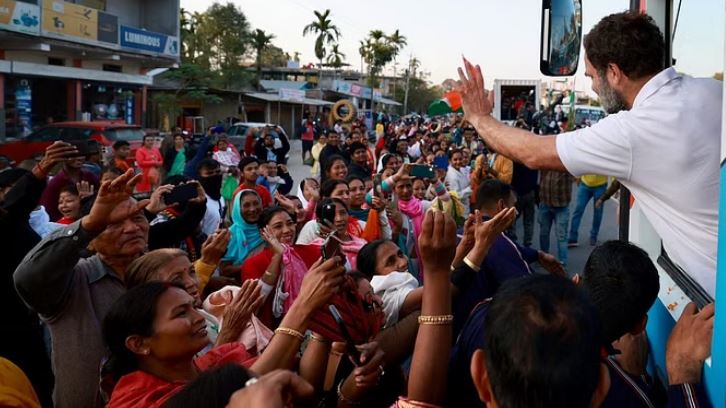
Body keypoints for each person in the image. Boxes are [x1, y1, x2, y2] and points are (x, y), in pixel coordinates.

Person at [456, 12, 721, 295]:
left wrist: (479, 118)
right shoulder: (714, 90)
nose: (593, 87)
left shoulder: (631, 130)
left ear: (614, 73)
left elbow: (532, 152)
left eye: (592, 77)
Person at [103, 256, 345, 408]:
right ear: (138, 344)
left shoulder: (217, 361)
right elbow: (245, 388)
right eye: (180, 314)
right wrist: (303, 305)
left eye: (192, 307)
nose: (198, 317)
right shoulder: (134, 400)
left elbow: (286, 374)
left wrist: (321, 326)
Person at [14, 169, 150, 407]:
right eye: (113, 223)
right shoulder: (74, 280)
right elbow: (28, 278)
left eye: (137, 218)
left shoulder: (158, 272)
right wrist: (89, 225)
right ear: (93, 238)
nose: (131, 228)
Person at [1, 142, 77, 407]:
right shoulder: (9, 221)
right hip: (10, 329)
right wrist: (40, 171)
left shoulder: (21, 226)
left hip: (32, 320)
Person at [453, 179, 564, 335]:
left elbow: (513, 251)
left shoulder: (459, 233)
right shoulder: (498, 241)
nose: (516, 212)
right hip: (480, 333)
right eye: (514, 205)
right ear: (501, 206)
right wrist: (566, 291)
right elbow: (529, 286)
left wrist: (538, 255)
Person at [240, 207, 321, 327]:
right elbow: (255, 302)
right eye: (278, 226)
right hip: (274, 332)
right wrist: (279, 255)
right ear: (263, 234)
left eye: (290, 224)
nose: (287, 230)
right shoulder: (253, 264)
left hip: (313, 324)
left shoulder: (310, 252)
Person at [39, 147, 100, 221]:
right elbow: (49, 213)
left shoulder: (90, 177)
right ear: (63, 157)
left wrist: (89, 200)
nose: (79, 158)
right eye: (74, 155)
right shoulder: (55, 183)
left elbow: (101, 200)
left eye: (82, 154)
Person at [220, 190, 265, 278]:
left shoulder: (268, 229)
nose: (252, 209)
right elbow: (224, 270)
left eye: (256, 203)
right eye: (246, 205)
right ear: (238, 208)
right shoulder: (229, 235)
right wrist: (254, 265)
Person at [538, 168, 574, 268]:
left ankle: (562, 263)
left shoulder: (565, 162)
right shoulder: (544, 160)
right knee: (543, 233)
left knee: (561, 236)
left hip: (561, 205)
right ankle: (544, 258)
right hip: (545, 203)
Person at [569, 174, 609, 247]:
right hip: (585, 184)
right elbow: (582, 163)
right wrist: (578, 176)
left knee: (598, 213)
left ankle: (593, 237)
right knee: (578, 210)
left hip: (600, 186)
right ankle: (572, 238)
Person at [196, 159, 227, 237]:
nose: (215, 175)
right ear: (200, 177)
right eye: (209, 173)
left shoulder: (220, 198)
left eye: (217, 172)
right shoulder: (198, 201)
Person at [511, 161, 538, 247]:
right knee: (529, 221)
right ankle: (527, 245)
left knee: (512, 219)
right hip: (530, 191)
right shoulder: (532, 157)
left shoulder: (516, 157)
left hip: (517, 192)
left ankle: (513, 244)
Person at [445, 148, 472, 216]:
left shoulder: (461, 169)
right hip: (459, 212)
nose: (458, 161)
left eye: (460, 159)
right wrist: (470, 188)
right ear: (450, 161)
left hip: (466, 208)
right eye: (455, 159)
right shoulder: (451, 175)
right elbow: (456, 196)